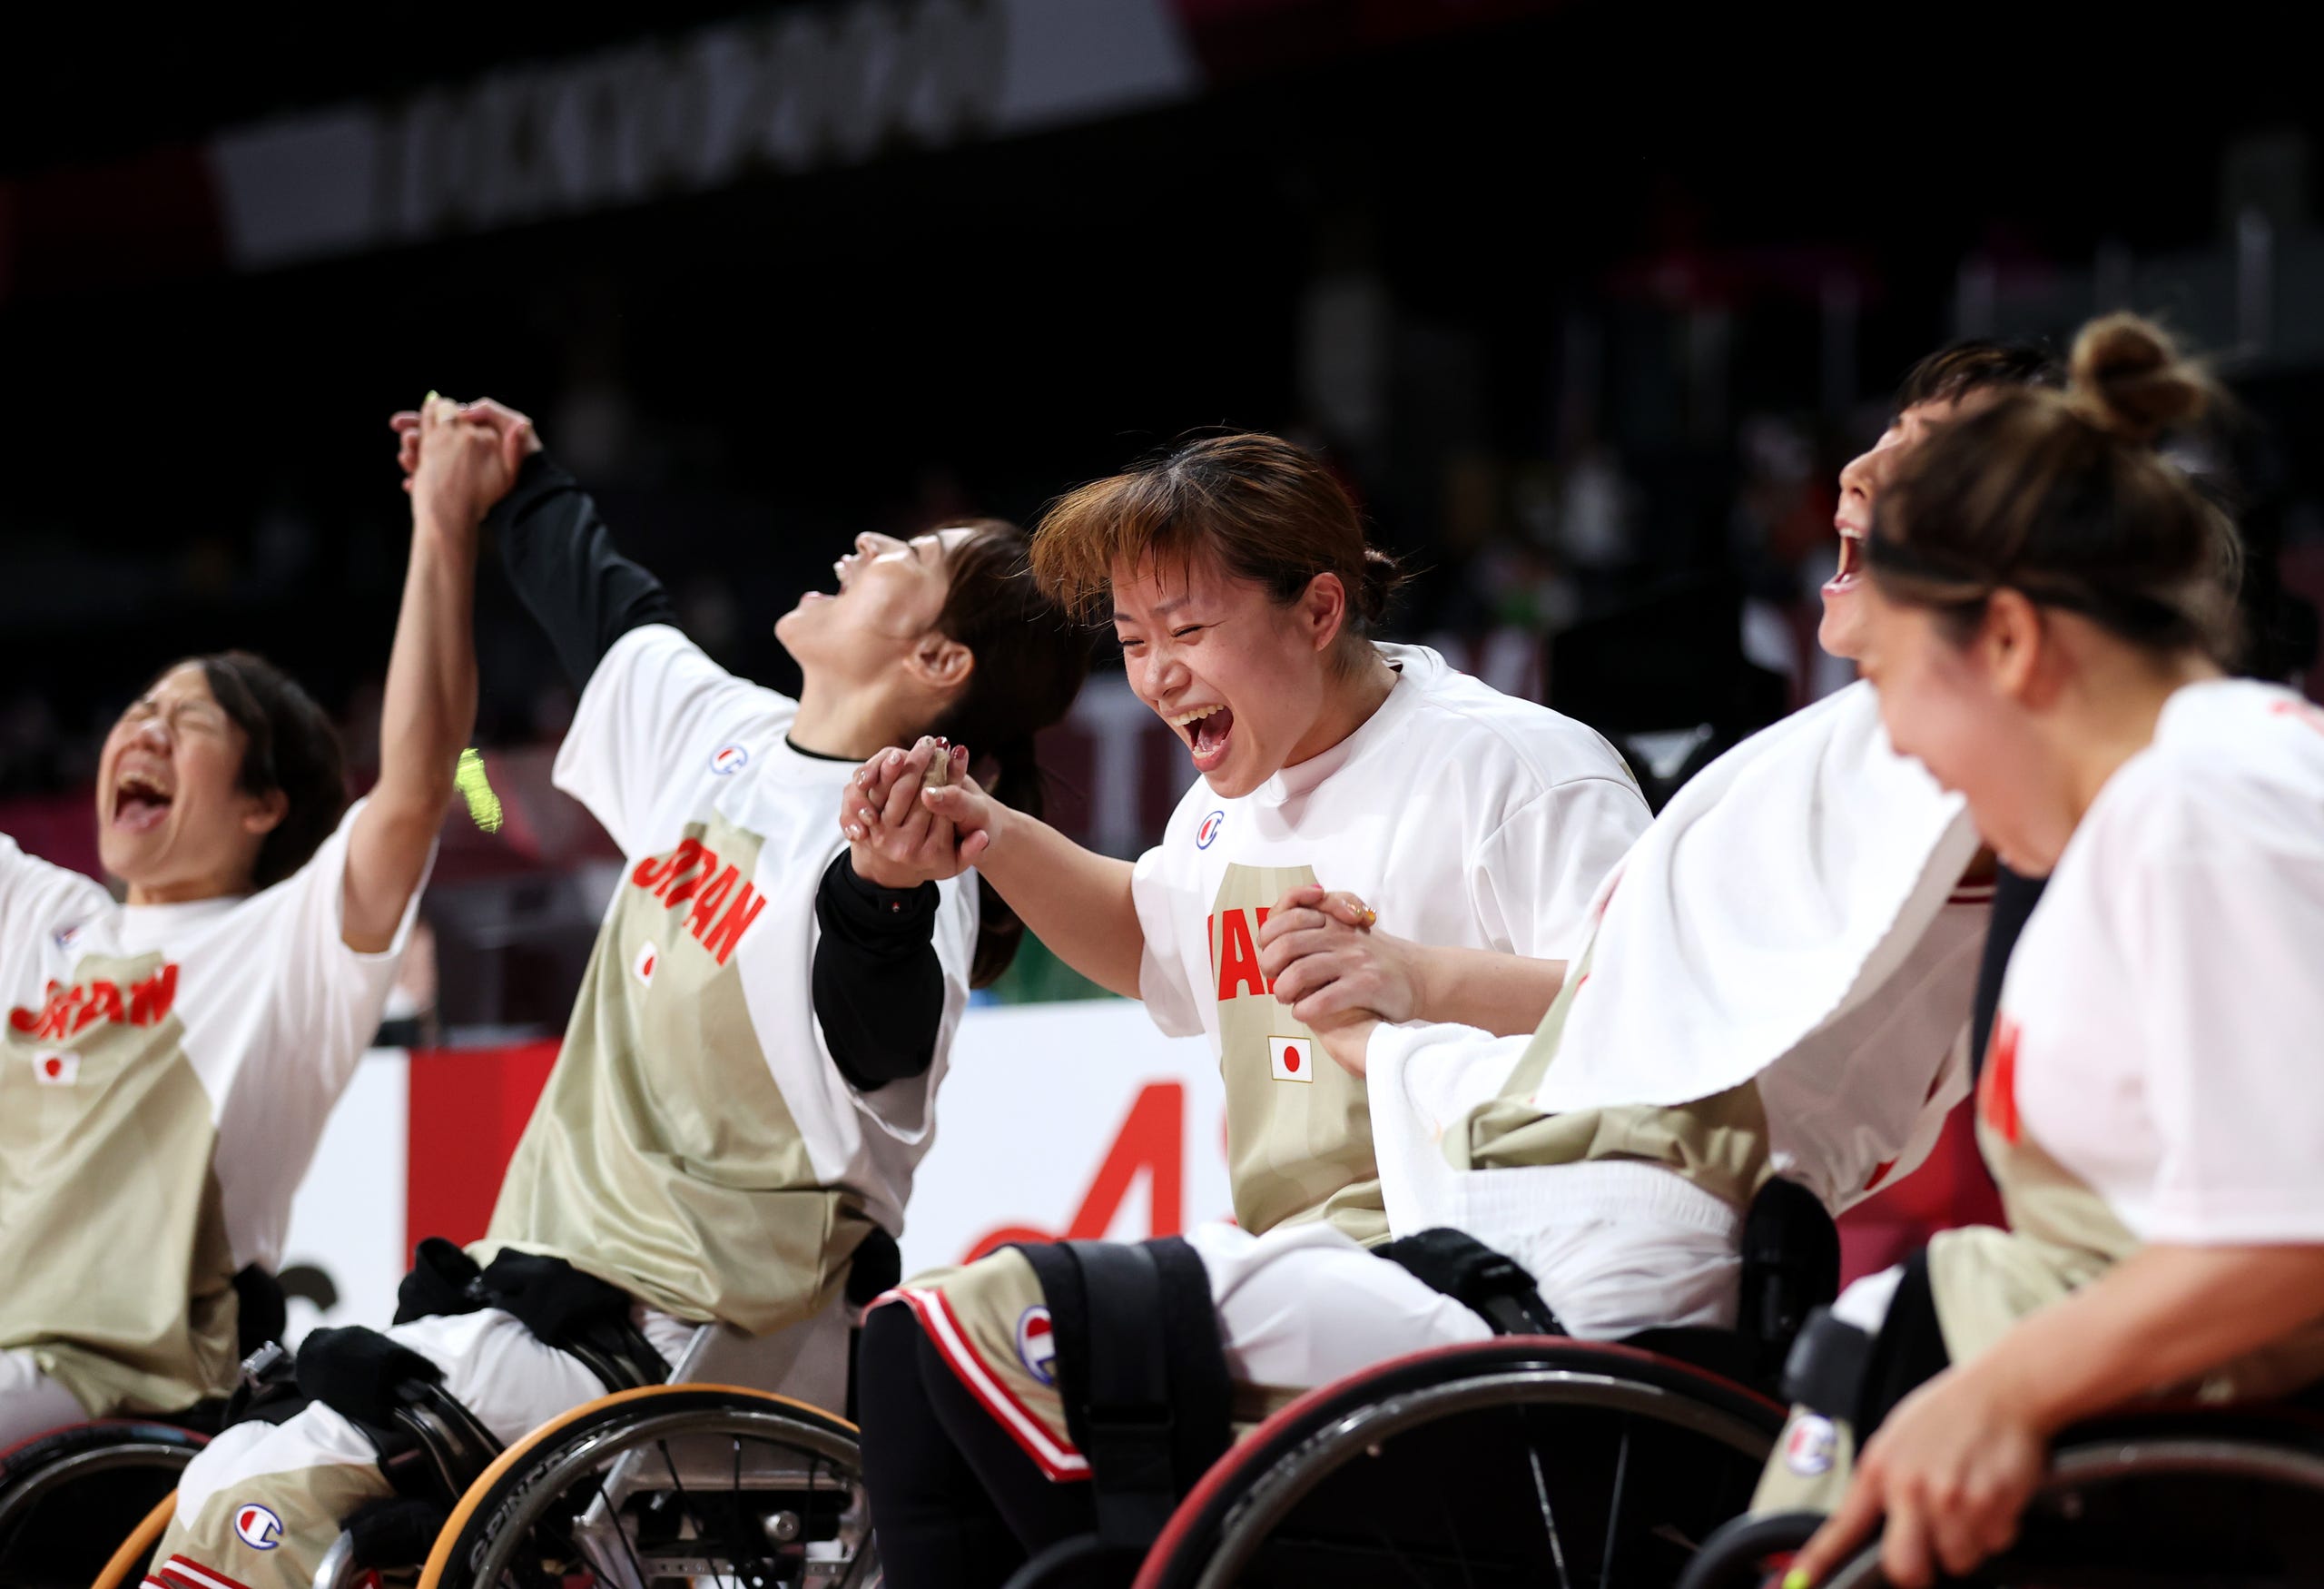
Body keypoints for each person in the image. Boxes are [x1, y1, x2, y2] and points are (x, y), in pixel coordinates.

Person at [148, 399, 1090, 1589]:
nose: (860, 547)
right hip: (548, 1303)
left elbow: (877, 1019)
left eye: (904, 557)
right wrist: (518, 472)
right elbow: (598, 599)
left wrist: (887, 894)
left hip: (677, 1338)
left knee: (258, 1503)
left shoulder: (920, 854)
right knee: (239, 1464)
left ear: (938, 662)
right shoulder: (722, 734)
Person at [851, 430, 1653, 1587]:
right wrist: (990, 830)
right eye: (1131, 643)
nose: (1157, 674)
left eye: (1186, 630)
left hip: (1476, 1271)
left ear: (1318, 608)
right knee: (907, 1350)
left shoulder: (1516, 768)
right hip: (1306, 1267)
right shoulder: (1227, 805)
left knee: (972, 1329)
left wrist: (1421, 980)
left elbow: (1647, 1015)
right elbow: (1148, 941)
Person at [1756, 313, 2324, 1589]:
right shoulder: (2134, 819)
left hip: (2186, 1474)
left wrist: (2005, 1387)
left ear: (2008, 641)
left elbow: (2298, 1227)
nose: (1896, 741)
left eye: (1896, 679)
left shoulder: (2209, 800)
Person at [0, 399, 479, 1446]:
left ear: (262, 805)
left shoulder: (286, 947)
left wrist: (442, 524)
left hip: (115, 1379)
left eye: (190, 719)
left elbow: (419, 778)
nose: (145, 728)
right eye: (138, 711)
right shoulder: (38, 915)